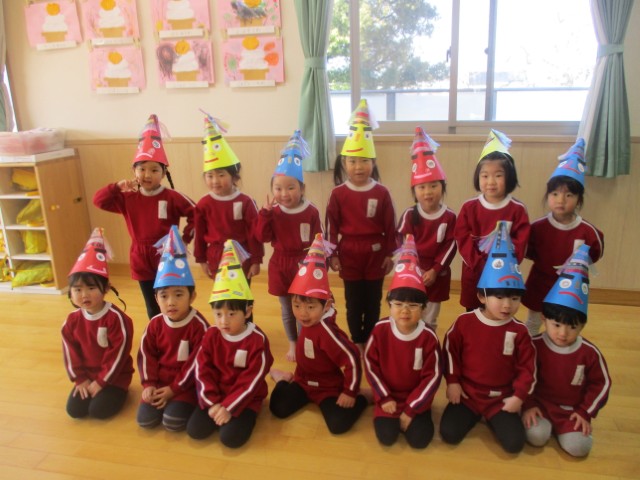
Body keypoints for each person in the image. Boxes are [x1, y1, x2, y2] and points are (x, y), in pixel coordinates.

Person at [440, 221, 536, 454]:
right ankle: (475, 415)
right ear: (482, 297)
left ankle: (492, 417)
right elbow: (450, 352)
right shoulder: (464, 323)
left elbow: (527, 367)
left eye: (514, 299)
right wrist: (453, 382)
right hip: (468, 395)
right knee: (448, 434)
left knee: (514, 444)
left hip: (501, 398)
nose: (507, 305)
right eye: (499, 297)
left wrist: (519, 397)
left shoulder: (520, 332)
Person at [93, 114, 195, 319]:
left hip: (168, 255)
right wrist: (117, 187)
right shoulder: (128, 198)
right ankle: (156, 330)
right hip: (139, 256)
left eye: (154, 170)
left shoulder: (172, 197)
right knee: (152, 304)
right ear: (134, 171)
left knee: (173, 301)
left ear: (163, 173)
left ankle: (177, 329)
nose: (147, 175)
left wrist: (184, 239)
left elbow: (196, 214)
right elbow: (99, 200)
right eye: (142, 169)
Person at [269, 234, 369, 435]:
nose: (303, 314)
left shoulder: (327, 331)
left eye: (310, 307)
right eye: (297, 305)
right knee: (277, 408)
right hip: (302, 381)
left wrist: (350, 392)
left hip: (328, 388)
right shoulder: (306, 320)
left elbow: (351, 357)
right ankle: (283, 378)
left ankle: (364, 396)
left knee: (338, 424)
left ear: (327, 306)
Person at [523, 245, 611, 457]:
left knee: (579, 448)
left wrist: (585, 412)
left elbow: (601, 383)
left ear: (582, 326)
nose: (563, 333)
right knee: (536, 436)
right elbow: (523, 375)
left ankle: (566, 430)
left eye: (572, 327)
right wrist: (528, 404)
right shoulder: (534, 345)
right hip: (540, 406)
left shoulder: (589, 353)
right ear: (544, 318)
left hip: (571, 411)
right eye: (556, 325)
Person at [326, 100, 397, 350]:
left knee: (374, 300)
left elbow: (391, 226)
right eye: (353, 161)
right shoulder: (337, 194)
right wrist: (332, 254)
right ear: (344, 163)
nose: (359, 167)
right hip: (349, 253)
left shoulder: (382, 193)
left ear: (373, 163)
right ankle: (357, 341)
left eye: (365, 161)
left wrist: (390, 253)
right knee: (354, 300)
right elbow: (331, 227)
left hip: (376, 252)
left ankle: (371, 339)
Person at [187, 239, 273, 448]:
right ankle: (218, 412)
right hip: (216, 394)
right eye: (218, 314)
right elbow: (202, 370)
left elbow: (251, 380)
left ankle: (237, 416)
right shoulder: (210, 335)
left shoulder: (257, 340)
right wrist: (212, 403)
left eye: (232, 314)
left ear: (248, 312)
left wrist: (229, 406)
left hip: (245, 398)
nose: (224, 321)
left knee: (230, 439)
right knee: (195, 431)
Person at [364, 234, 442, 448]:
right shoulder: (380, 330)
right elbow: (371, 366)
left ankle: (413, 411)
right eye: (398, 304)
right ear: (389, 305)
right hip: (388, 397)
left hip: (416, 400)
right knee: (387, 437)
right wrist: (384, 397)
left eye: (413, 305)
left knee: (420, 440)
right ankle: (375, 400)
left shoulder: (428, 337)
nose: (405, 311)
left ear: (423, 308)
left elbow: (433, 377)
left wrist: (411, 409)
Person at [523, 138, 604, 335]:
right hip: (540, 282)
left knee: (563, 326)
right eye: (555, 194)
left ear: (579, 199)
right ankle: (529, 348)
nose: (561, 200)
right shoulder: (538, 227)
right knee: (533, 322)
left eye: (569, 195)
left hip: (570, 286)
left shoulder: (587, 231)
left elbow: (596, 252)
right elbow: (528, 251)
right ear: (548, 196)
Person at [255, 130, 323, 362]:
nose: (284, 193)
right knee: (287, 309)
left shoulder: (311, 211)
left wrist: (318, 266)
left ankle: (305, 342)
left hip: (303, 264)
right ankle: (293, 343)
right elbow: (261, 237)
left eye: (291, 187)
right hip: (280, 264)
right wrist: (264, 215)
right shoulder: (272, 212)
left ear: (302, 188)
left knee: (303, 307)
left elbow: (318, 240)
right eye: (278, 188)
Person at [136, 225, 210, 431]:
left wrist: (174, 389)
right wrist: (149, 384)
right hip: (159, 382)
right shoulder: (154, 324)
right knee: (145, 421)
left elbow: (198, 364)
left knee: (172, 422)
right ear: (156, 298)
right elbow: (146, 355)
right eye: (164, 296)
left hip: (186, 385)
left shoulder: (200, 326)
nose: (171, 302)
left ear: (192, 296)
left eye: (179, 294)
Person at [61, 228, 134, 420]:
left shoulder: (117, 319)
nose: (84, 295)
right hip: (87, 376)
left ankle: (120, 393)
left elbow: (118, 355)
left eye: (91, 288)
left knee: (98, 411)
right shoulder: (71, 321)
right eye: (77, 289)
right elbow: (70, 354)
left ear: (106, 288)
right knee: (75, 411)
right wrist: (80, 380)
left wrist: (101, 382)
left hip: (114, 378)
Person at [454, 129, 530, 311]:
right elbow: (462, 239)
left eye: (498, 175)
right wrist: (479, 264)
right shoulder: (469, 207)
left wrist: (500, 266)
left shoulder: (517, 210)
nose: (491, 181)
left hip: (503, 273)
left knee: (500, 311)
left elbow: (521, 244)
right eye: (485, 175)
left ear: (509, 176)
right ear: (478, 177)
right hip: (474, 271)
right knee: (473, 310)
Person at [397, 127, 457, 331]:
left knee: (430, 317)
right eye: (421, 187)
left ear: (443, 186)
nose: (428, 192)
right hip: (412, 273)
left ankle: (429, 342)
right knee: (410, 312)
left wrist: (435, 270)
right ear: (414, 191)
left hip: (436, 276)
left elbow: (451, 245)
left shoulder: (449, 217)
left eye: (433, 185)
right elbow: (402, 243)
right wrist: (413, 266)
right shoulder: (409, 215)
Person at [193, 114, 263, 283]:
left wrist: (256, 260)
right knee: (221, 294)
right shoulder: (204, 203)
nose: (215, 181)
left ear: (234, 177)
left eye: (221, 175)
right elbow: (199, 233)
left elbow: (253, 233)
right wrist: (201, 259)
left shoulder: (245, 202)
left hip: (242, 256)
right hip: (215, 256)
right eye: (210, 175)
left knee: (243, 294)